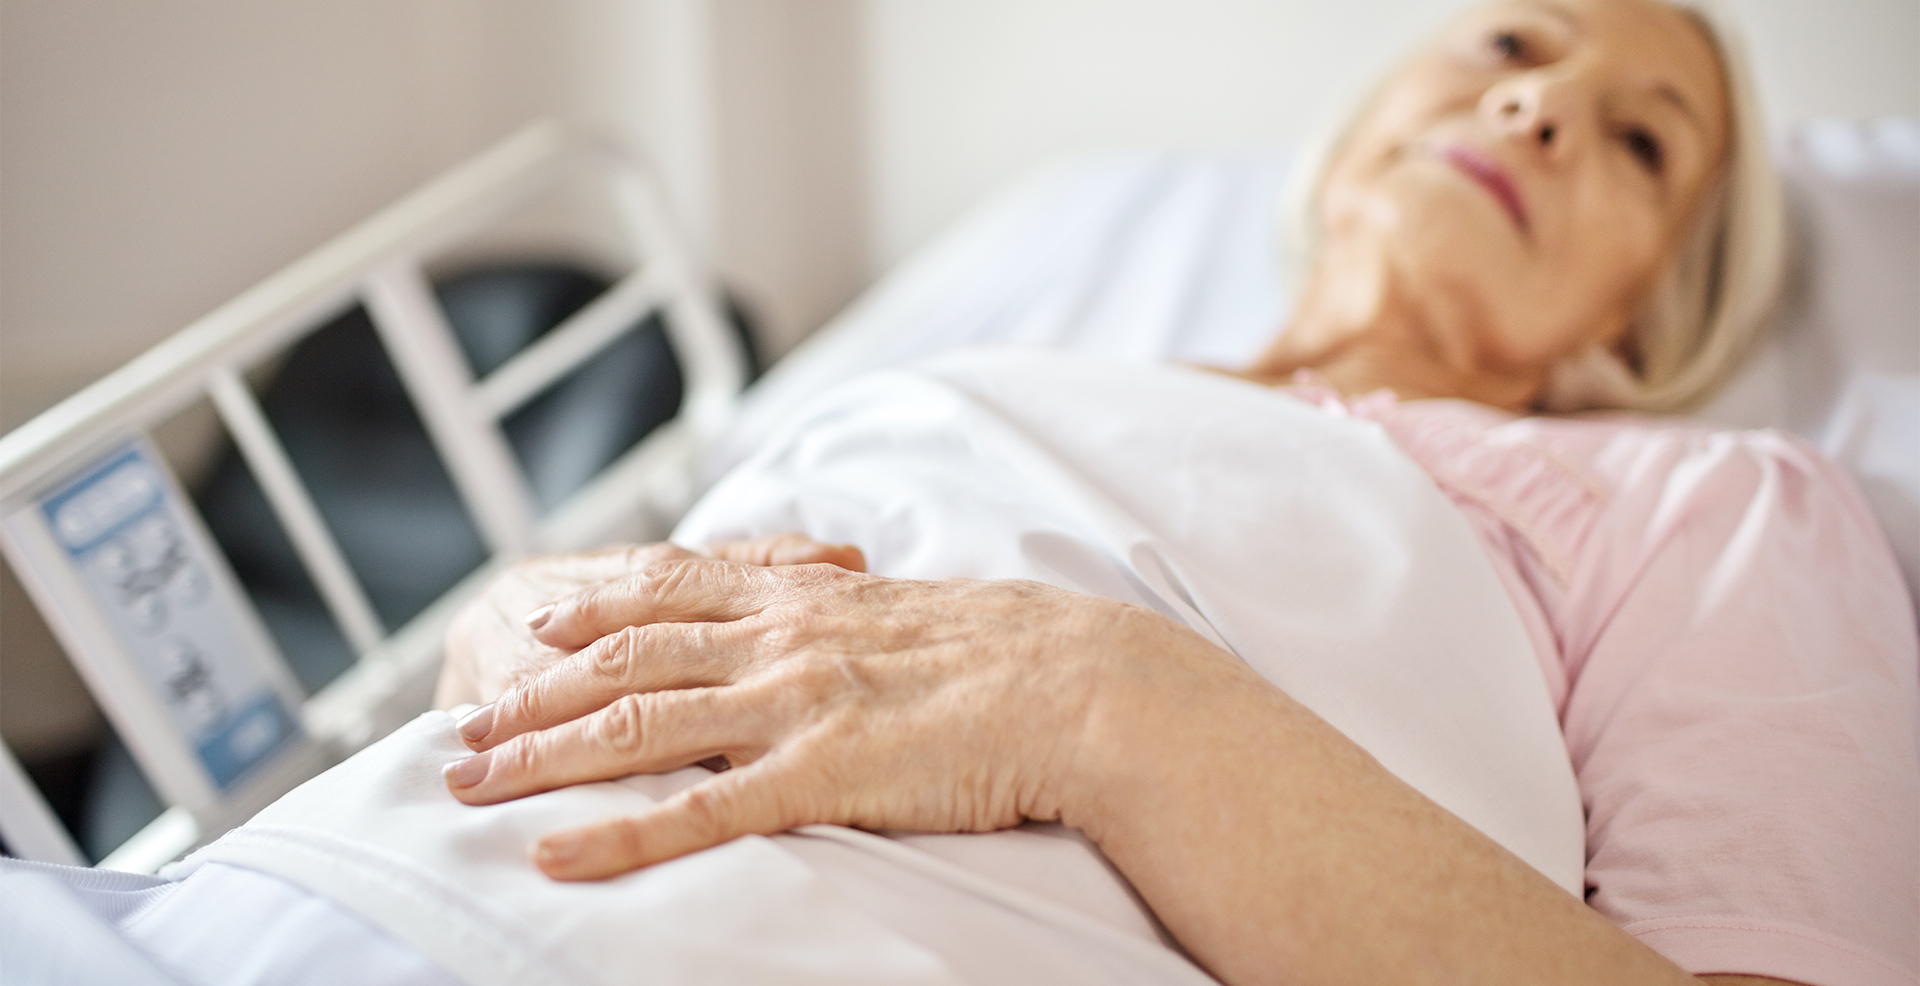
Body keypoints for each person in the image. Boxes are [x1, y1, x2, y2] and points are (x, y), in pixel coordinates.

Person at [431, 1, 1919, 985]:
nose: (1539, 106)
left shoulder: (1717, 505)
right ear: (1367, 129)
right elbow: (616, 639)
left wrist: (1100, 707)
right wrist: (514, 619)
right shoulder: (1003, 366)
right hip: (364, 890)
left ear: (1642, 317)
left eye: (1642, 141)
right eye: (1511, 41)